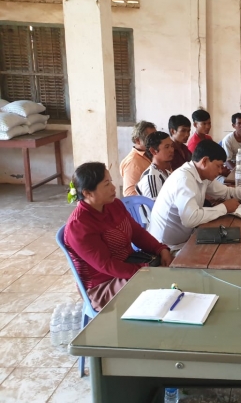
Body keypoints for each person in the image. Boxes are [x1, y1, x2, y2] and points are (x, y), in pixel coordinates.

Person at [64, 162, 172, 311]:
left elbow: (137, 233)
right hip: (103, 285)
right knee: (161, 286)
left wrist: (160, 249)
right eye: (106, 184)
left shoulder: (113, 204)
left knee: (174, 268)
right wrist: (144, 270)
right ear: (88, 193)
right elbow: (106, 265)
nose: (113, 187)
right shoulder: (79, 226)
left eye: (111, 181)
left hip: (130, 265)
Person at [149, 139, 241, 249]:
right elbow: (190, 219)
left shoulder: (202, 174)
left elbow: (225, 192)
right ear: (204, 161)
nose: (220, 171)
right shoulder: (184, 179)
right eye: (218, 166)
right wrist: (224, 208)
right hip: (167, 248)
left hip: (187, 238)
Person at [120, 121, 156, 196]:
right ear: (138, 140)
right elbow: (130, 195)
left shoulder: (152, 154)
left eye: (155, 138)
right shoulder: (132, 162)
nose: (156, 141)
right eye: (151, 138)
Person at [135, 131, 174, 200]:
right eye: (167, 147)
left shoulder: (167, 173)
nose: (172, 150)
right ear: (153, 151)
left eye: (172, 146)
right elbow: (153, 206)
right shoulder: (151, 177)